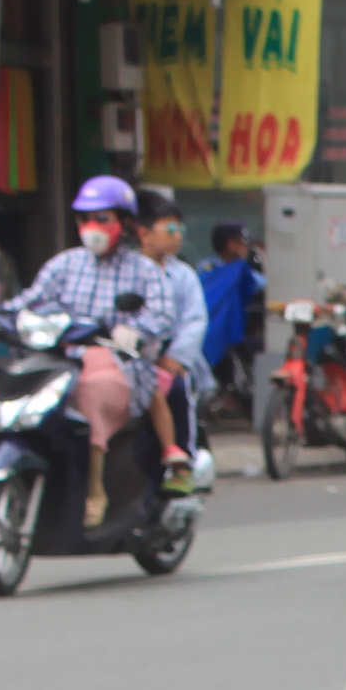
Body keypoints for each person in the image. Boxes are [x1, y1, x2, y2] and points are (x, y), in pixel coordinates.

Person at [0, 175, 173, 527]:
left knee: (89, 393)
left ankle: (95, 491)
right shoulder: (64, 264)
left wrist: (134, 331)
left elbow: (162, 315)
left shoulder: (144, 271)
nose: (91, 228)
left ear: (125, 222)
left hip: (123, 368)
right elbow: (30, 300)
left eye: (102, 219)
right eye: (85, 219)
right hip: (65, 363)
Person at [134, 191, 206, 493]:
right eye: (171, 229)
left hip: (167, 359)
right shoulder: (124, 269)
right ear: (143, 232)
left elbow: (194, 319)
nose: (178, 238)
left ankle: (181, 462)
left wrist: (176, 356)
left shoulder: (183, 275)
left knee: (177, 389)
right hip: (127, 355)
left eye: (181, 230)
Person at [198, 221, 267, 395]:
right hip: (211, 328)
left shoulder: (243, 270)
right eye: (243, 242)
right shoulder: (208, 268)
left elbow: (261, 285)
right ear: (230, 244)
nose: (246, 247)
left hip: (233, 330)